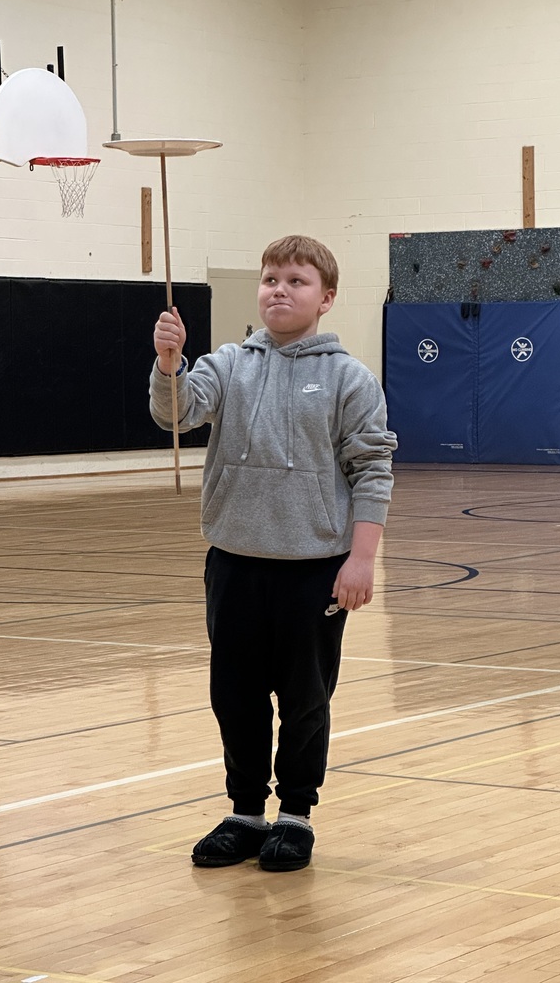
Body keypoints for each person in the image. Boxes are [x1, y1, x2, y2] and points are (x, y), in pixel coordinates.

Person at [150, 235, 397, 872]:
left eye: (296, 280)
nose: (279, 289)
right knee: (234, 695)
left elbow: (373, 469)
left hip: (314, 571)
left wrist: (362, 558)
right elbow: (176, 415)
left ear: (327, 298)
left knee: (306, 696)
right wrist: (169, 363)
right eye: (270, 279)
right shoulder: (227, 364)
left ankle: (295, 815)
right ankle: (243, 812)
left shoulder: (349, 378)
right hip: (233, 562)